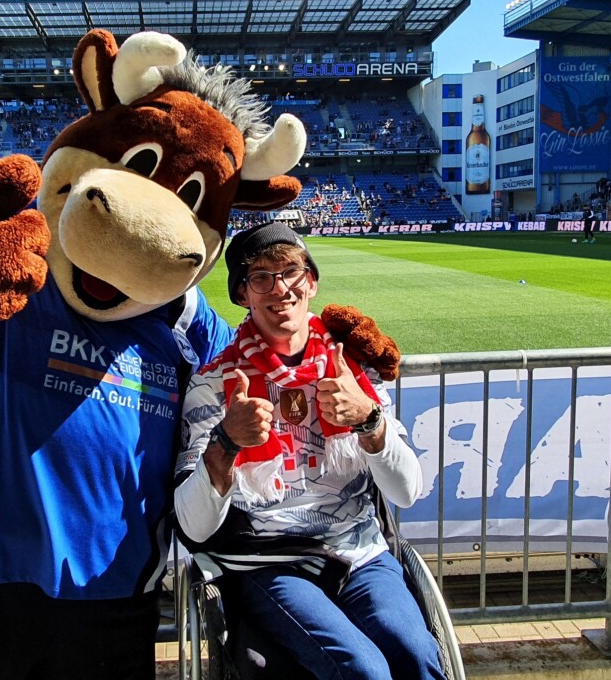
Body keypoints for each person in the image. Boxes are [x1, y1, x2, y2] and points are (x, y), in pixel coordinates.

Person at [174, 222, 444, 680]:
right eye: (260, 276)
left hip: (360, 554)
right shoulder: (214, 385)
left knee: (416, 656)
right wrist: (226, 441)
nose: (280, 287)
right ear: (243, 295)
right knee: (364, 670)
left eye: (292, 271)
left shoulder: (352, 371)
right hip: (269, 563)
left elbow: (406, 492)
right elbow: (194, 528)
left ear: (312, 281)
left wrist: (368, 418)